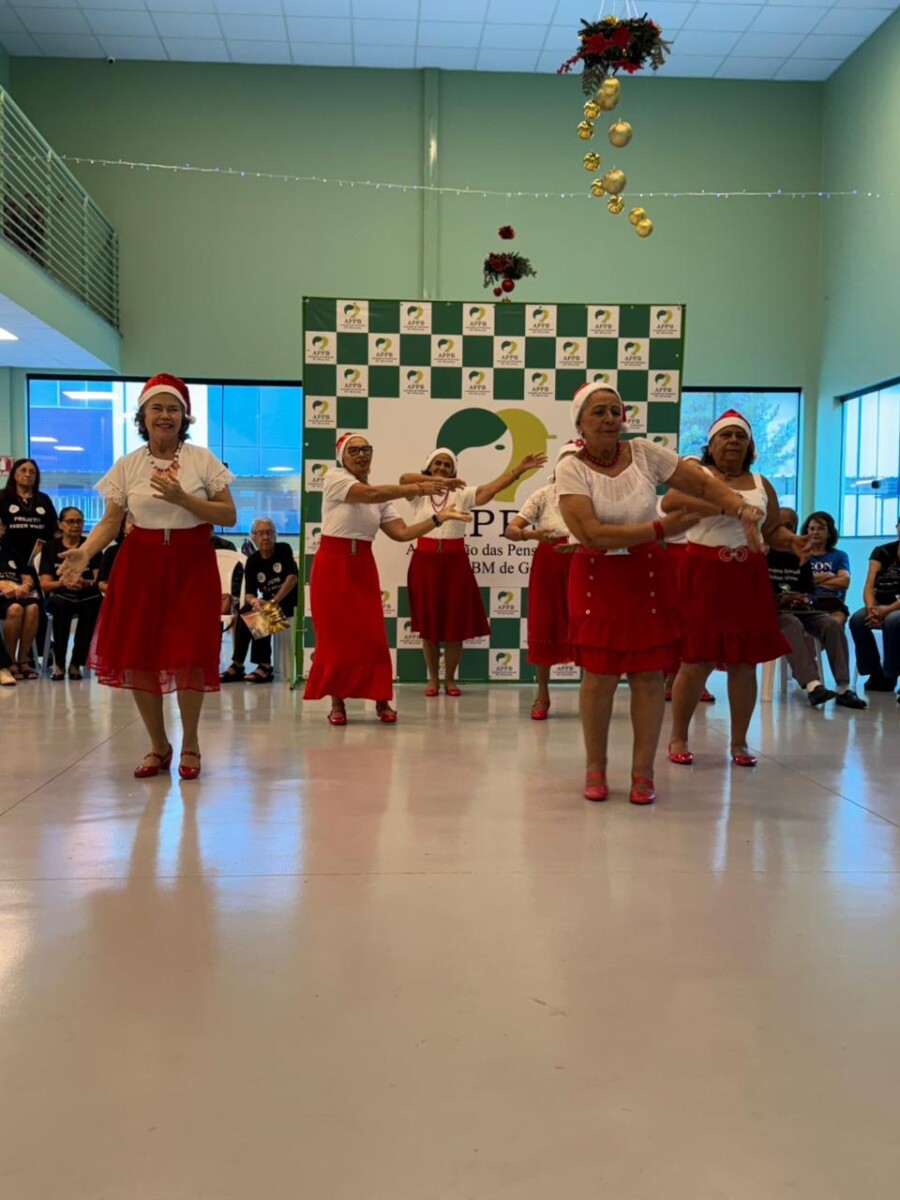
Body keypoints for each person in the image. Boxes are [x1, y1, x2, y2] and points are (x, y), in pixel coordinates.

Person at [556, 384, 767, 806]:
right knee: (599, 677)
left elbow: (703, 484)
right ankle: (595, 767)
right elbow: (591, 534)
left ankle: (643, 773)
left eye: (615, 410)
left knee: (649, 677)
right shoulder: (570, 468)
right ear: (580, 423)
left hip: (646, 576)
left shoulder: (645, 453)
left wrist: (739, 506)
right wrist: (658, 530)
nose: (610, 418)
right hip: (597, 576)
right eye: (599, 412)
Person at [58, 374, 236, 780]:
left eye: (173, 409)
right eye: (157, 408)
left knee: (190, 654)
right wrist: (86, 551)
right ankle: (159, 745)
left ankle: (190, 743)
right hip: (140, 565)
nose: (165, 415)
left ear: (184, 417)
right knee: (140, 655)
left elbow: (228, 515)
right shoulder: (128, 464)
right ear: (142, 415)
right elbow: (111, 521)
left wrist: (182, 498)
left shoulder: (202, 460)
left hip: (192, 565)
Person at [664, 410, 808, 768]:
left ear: (750, 446)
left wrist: (791, 541)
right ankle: (679, 735)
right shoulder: (698, 474)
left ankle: (740, 742)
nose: (733, 441)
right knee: (696, 660)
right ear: (711, 445)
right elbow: (669, 503)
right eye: (725, 436)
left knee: (744, 662)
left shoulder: (761, 483)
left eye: (740, 436)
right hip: (703, 572)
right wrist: (726, 506)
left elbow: (771, 531)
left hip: (748, 575)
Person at [304, 433, 469, 725]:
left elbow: (402, 533)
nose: (361, 455)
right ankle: (337, 704)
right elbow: (371, 494)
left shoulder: (380, 499)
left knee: (374, 638)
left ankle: (382, 700)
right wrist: (419, 487)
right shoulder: (335, 478)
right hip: (332, 566)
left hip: (363, 566)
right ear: (342, 457)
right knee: (335, 639)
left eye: (366, 449)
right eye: (354, 450)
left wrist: (438, 518)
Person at [399, 446, 547, 696]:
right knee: (428, 626)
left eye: (447, 465)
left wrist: (518, 471)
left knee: (455, 626)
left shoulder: (463, 494)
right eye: (437, 463)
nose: (442, 468)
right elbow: (403, 479)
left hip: (455, 564)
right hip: (424, 564)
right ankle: (433, 679)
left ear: (454, 471)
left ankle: (450, 680)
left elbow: (492, 488)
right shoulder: (419, 493)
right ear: (429, 467)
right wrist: (437, 482)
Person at [504, 442, 580, 719]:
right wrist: (532, 535)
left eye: (576, 463)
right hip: (549, 563)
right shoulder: (543, 495)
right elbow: (511, 530)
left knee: (586, 624)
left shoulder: (592, 495)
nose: (570, 468)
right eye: (566, 463)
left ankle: (592, 693)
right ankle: (542, 694)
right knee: (545, 621)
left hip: (584, 559)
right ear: (557, 467)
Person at [767, 508, 866, 709]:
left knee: (831, 624)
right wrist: (782, 598)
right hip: (776, 612)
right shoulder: (764, 555)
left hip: (804, 609)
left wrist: (806, 599)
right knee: (791, 623)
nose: (785, 531)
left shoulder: (801, 555)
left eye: (790, 527)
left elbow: (810, 590)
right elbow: (755, 592)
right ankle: (813, 686)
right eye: (781, 526)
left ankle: (843, 688)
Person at [221, 517, 298, 684]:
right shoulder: (253, 560)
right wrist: (255, 601)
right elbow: (249, 594)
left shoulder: (283, 549)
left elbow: (292, 578)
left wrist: (273, 602)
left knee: (262, 613)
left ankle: (264, 666)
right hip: (268, 604)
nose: (265, 537)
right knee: (247, 610)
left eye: (269, 533)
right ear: (253, 537)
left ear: (275, 535)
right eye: (261, 533)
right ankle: (238, 664)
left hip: (288, 603)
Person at [39, 506, 103, 680]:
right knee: (61, 605)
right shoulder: (50, 548)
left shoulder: (91, 547)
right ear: (60, 524)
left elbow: (98, 580)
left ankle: (76, 663)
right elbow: (45, 584)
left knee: (94, 603)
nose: (75, 525)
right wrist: (63, 582)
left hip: (86, 593)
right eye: (70, 521)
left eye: (79, 521)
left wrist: (85, 582)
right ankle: (59, 664)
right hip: (60, 593)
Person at [849, 517, 900, 696]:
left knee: (893, 621)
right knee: (857, 620)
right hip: (880, 604)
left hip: (896, 607)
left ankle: (890, 674)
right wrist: (872, 609)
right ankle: (874, 671)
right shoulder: (881, 552)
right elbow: (869, 585)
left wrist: (886, 611)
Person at [0, 515, 41, 679]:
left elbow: (26, 574)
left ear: (3, 530)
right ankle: (9, 662)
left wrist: (26, 585)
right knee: (16, 609)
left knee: (33, 608)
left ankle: (23, 660)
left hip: (17, 592)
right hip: (2, 596)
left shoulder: (11, 550)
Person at [0, 457, 58, 566]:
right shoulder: (2, 497)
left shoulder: (44, 499)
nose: (28, 474)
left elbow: (55, 529)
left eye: (32, 472)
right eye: (23, 470)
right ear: (14, 474)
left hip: (39, 556)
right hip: (9, 555)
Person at [802, 510, 851, 625]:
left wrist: (812, 581)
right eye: (812, 529)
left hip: (832, 604)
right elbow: (798, 583)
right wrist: (828, 575)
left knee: (834, 623)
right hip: (805, 602)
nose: (815, 532)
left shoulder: (840, 556)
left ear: (829, 533)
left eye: (820, 529)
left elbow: (844, 581)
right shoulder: (800, 555)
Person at [97, 514, 134, 594]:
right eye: (130, 522)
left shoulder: (152, 553)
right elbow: (101, 583)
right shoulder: (112, 551)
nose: (134, 525)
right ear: (123, 528)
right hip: (118, 595)